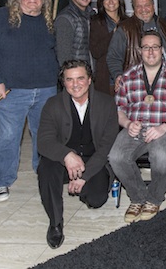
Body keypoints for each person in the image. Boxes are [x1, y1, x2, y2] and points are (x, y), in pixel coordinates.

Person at [0, 0, 58, 202]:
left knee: (43, 135)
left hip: (45, 89)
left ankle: (43, 173)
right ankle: (3, 181)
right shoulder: (2, 18)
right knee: (8, 137)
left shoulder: (48, 20)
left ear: (43, 0)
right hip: (12, 91)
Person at [37, 60, 118, 249]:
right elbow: (43, 141)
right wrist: (66, 155)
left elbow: (106, 147)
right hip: (62, 160)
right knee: (46, 167)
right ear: (63, 83)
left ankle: (81, 186)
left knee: (97, 199)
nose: (75, 84)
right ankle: (55, 224)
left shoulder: (107, 104)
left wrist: (85, 176)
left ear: (89, 80)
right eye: (69, 80)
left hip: (93, 159)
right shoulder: (52, 105)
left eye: (80, 78)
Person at [109, 31, 166, 223]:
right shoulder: (128, 76)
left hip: (164, 128)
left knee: (161, 158)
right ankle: (137, 198)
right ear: (140, 51)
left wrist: (164, 127)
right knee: (116, 157)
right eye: (146, 47)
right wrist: (127, 123)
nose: (151, 52)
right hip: (135, 127)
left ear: (162, 50)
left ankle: (154, 198)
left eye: (155, 47)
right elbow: (119, 109)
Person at [107, 0, 166, 92]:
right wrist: (118, 76)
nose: (144, 10)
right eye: (139, 6)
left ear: (153, 5)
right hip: (137, 87)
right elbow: (113, 57)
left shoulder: (163, 24)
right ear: (134, 8)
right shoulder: (125, 29)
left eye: (147, 5)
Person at [89, 0, 128, 95]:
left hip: (126, 75)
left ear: (119, 1)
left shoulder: (128, 22)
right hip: (105, 78)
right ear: (102, 2)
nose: (111, 1)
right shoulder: (96, 22)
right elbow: (96, 52)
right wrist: (114, 33)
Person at [54, 0, 95, 65]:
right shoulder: (66, 18)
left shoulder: (92, 15)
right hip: (75, 74)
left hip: (89, 73)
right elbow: (63, 55)